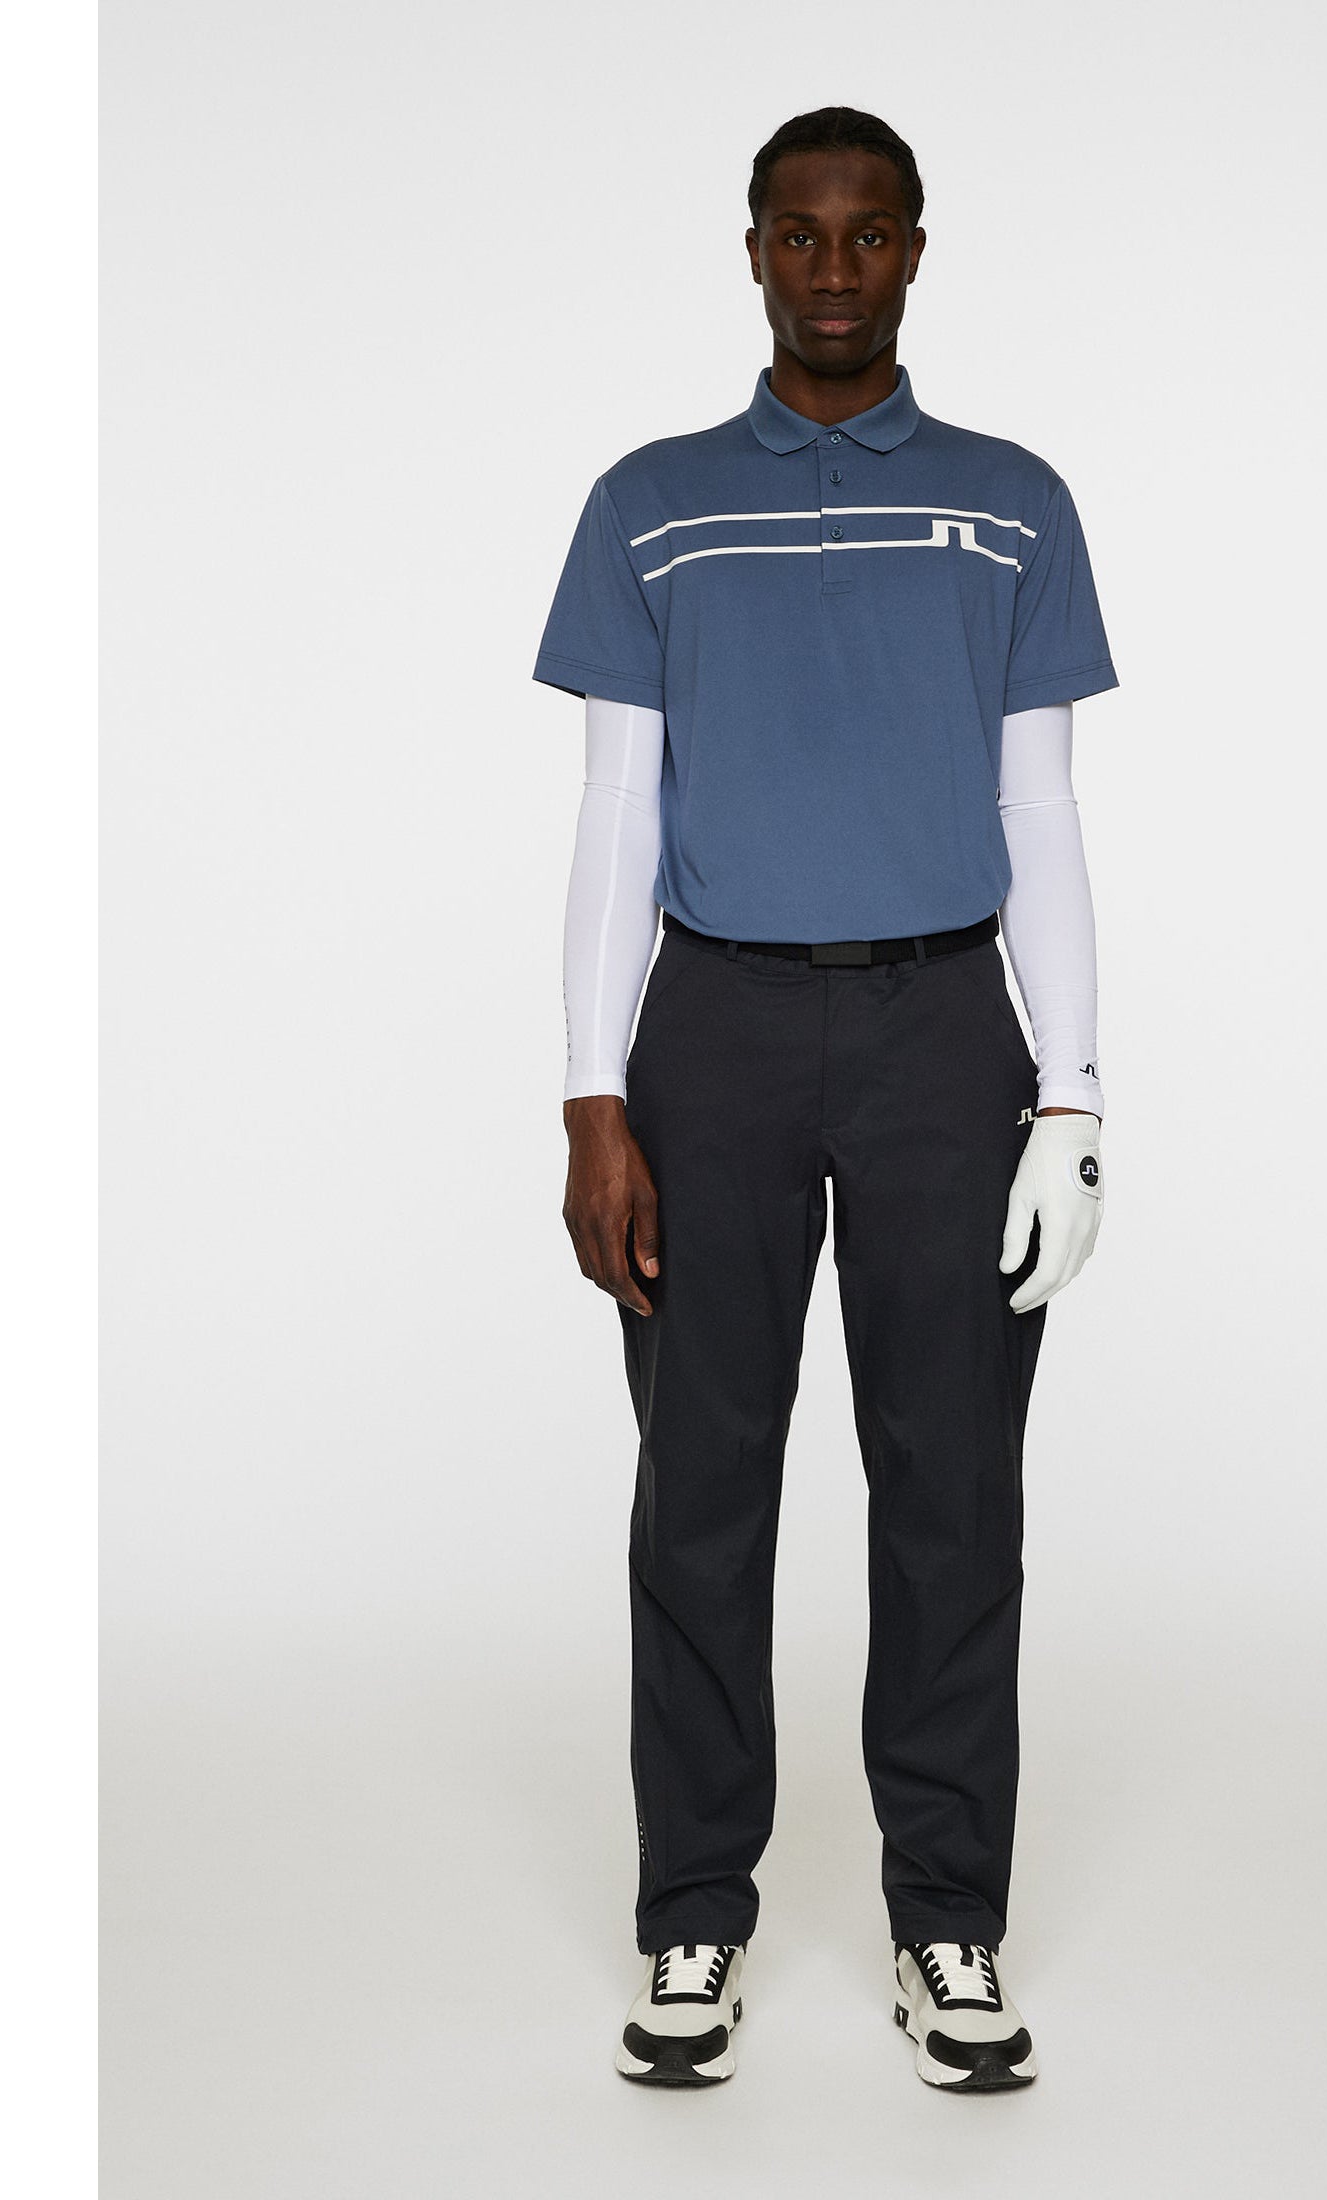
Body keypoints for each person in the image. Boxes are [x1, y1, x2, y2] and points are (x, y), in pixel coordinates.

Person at [533, 106, 1116, 2093]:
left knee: (952, 1493)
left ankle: (948, 1915)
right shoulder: (650, 504)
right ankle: (691, 1911)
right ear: (755, 251)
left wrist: (1072, 1095)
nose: (835, 267)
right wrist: (593, 1096)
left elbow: (1040, 807)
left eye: (870, 234)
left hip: (949, 1030)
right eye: (801, 233)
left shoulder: (1011, 503)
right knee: (700, 1491)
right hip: (712, 1033)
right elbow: (618, 809)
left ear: (917, 249)